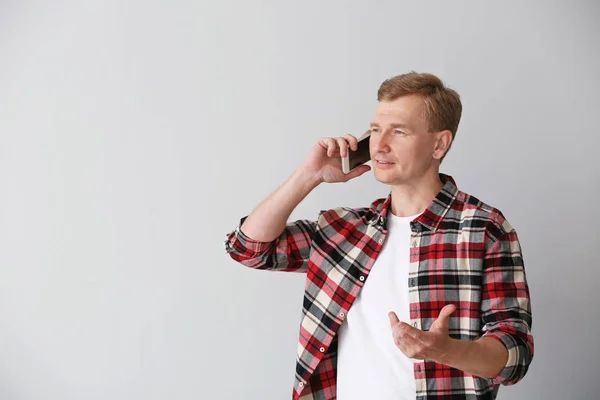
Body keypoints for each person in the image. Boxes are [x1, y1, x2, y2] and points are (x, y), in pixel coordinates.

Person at [224, 71, 534, 400]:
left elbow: (515, 354)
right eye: (374, 130)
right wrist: (309, 175)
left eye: (398, 131)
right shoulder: (344, 229)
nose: (380, 145)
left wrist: (447, 351)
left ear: (439, 143)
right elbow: (248, 248)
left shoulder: (483, 228)